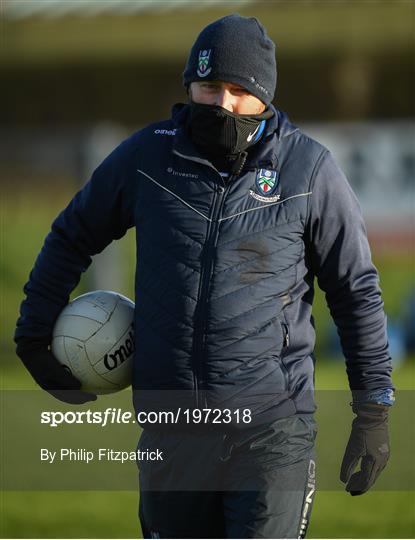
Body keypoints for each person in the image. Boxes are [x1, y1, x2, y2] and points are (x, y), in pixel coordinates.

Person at [15, 14, 395, 539]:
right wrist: (35, 335)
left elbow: (355, 292)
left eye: (239, 91)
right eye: (210, 86)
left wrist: (372, 412)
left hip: (271, 427)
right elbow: (71, 234)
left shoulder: (309, 171)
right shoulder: (148, 157)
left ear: (265, 96)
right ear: (189, 84)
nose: (222, 103)